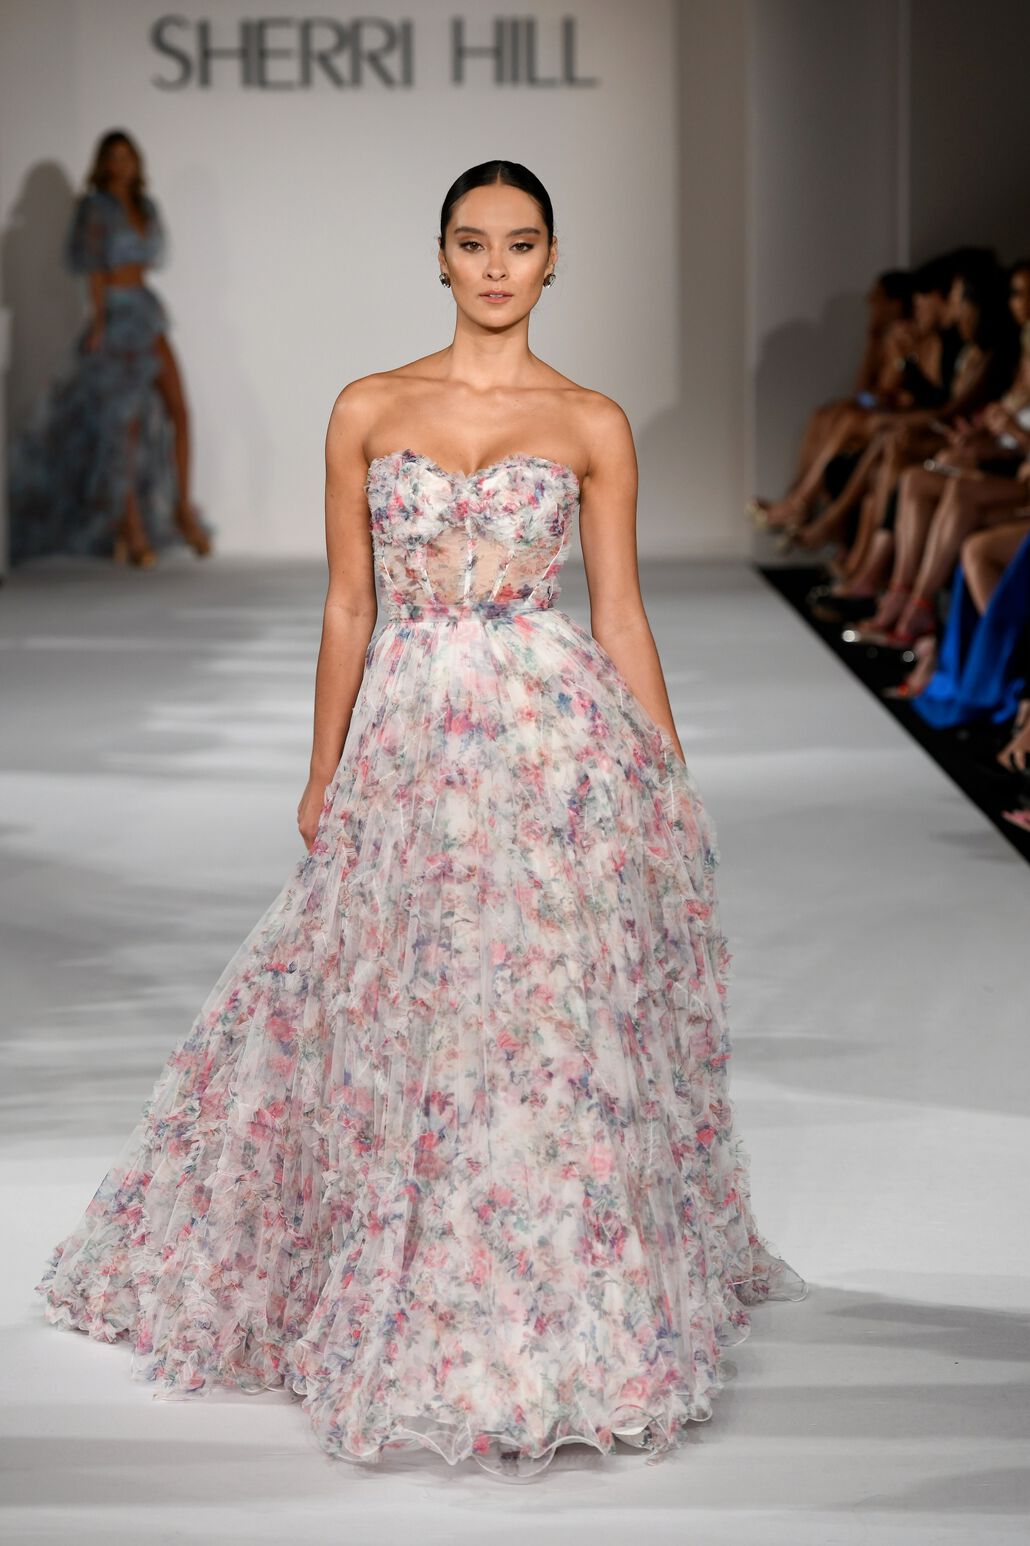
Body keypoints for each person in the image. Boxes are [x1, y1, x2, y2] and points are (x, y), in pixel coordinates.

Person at [35, 160, 806, 1478]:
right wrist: (320, 765)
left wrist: (664, 776)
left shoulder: (592, 421)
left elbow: (619, 613)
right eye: (473, 241)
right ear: (439, 255)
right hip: (406, 739)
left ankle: (541, 1296)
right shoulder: (368, 405)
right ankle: (399, 1268)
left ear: (552, 259)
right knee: (401, 1000)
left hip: (546, 738)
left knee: (539, 1011)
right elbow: (349, 603)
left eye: (520, 242)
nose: (496, 265)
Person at [7, 129, 212, 567]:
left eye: (127, 156)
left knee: (179, 410)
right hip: (117, 318)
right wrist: (99, 322)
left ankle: (182, 508)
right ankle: (130, 528)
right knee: (124, 425)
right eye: (113, 157)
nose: (121, 164)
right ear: (103, 163)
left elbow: (151, 259)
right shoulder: (95, 208)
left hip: (147, 312)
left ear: (136, 162)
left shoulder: (145, 206)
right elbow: (93, 268)